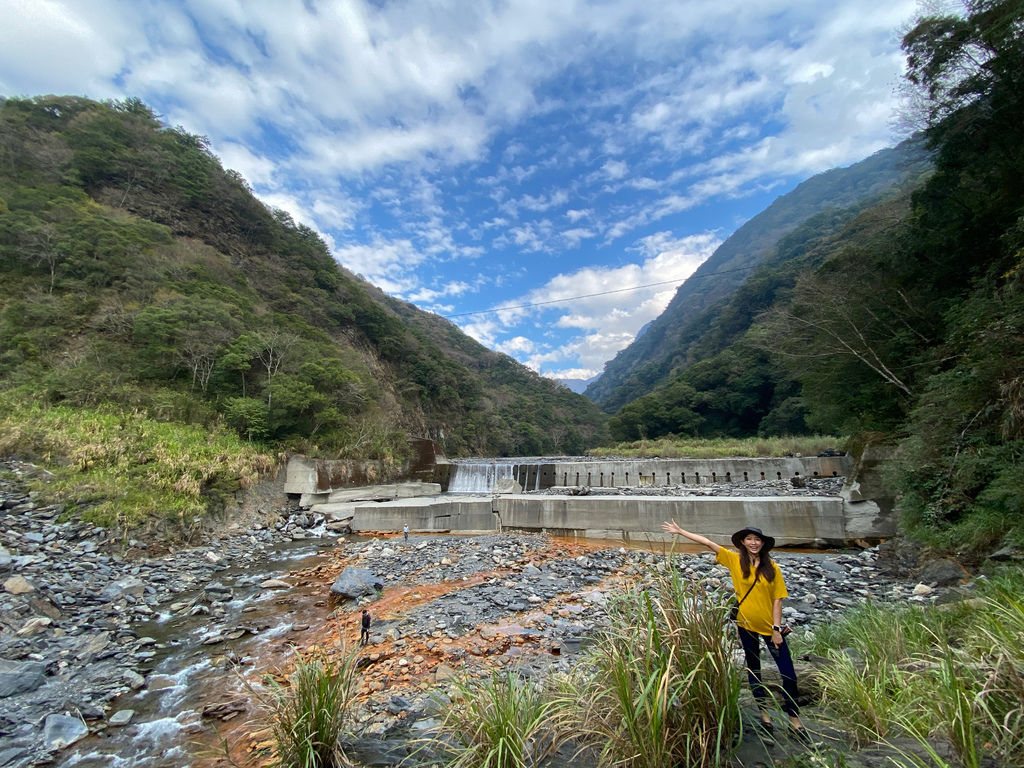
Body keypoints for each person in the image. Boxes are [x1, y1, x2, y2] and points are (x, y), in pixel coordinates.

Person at [661, 519, 810, 742]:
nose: (753, 543)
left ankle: (794, 720)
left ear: (762, 544)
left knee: (788, 673)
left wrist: (777, 628)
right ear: (742, 542)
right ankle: (764, 715)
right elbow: (708, 543)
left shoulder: (773, 569)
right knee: (754, 671)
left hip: (771, 630)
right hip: (745, 627)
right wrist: (681, 531)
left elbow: (778, 600)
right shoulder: (734, 561)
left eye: (756, 539)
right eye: (749, 539)